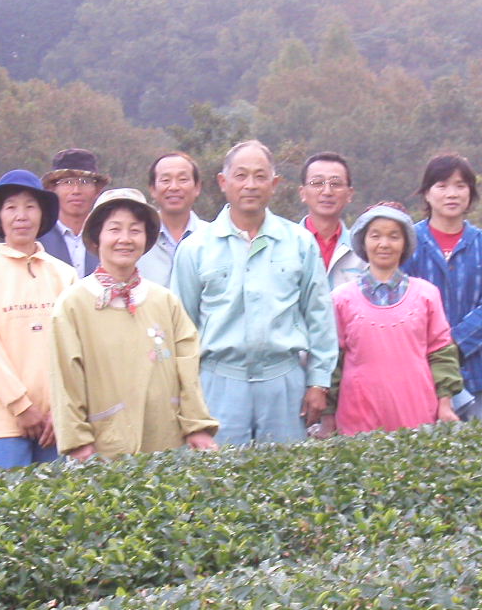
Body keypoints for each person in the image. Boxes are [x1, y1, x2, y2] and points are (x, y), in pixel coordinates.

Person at [172, 140, 337, 446]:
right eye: (241, 175)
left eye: (260, 176)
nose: (250, 185)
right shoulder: (195, 248)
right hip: (217, 383)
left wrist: (318, 382)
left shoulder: (299, 243)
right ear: (223, 182)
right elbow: (181, 328)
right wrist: (187, 397)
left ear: (274, 184)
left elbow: (319, 316)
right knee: (218, 482)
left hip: (284, 382)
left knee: (287, 484)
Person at [49, 188, 219, 460]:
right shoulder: (73, 304)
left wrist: (196, 426)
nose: (125, 240)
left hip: (165, 441)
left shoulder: (164, 301)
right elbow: (65, 379)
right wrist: (77, 441)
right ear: (97, 238)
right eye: (114, 230)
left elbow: (188, 368)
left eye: (135, 230)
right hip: (102, 447)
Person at [0, 170, 78, 468]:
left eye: (30, 206)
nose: (21, 215)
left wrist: (59, 409)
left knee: (58, 508)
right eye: (11, 207)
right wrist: (21, 406)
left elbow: (72, 347)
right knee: (6, 509)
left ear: (42, 215)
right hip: (3, 422)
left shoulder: (63, 274)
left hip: (56, 422)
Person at [319, 204, 463, 436]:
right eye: (375, 236)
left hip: (417, 412)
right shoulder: (341, 299)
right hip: (357, 416)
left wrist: (445, 404)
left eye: (393, 236)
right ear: (363, 243)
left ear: (405, 243)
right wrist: (328, 416)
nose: (384, 244)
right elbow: (331, 362)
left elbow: (441, 352)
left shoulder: (427, 294)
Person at [402, 154, 482, 420]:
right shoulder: (408, 244)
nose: (452, 194)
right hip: (419, 372)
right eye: (442, 185)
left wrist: (452, 346)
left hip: (475, 371)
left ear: (471, 193)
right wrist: (433, 350)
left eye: (460, 186)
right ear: (426, 193)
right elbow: (399, 304)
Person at [298, 151, 365, 288]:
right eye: (317, 183)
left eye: (336, 184)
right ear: (303, 193)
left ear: (349, 194)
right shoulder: (284, 246)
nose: (327, 191)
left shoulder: (363, 251)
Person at [138, 151, 205, 286]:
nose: (174, 187)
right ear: (153, 189)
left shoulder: (213, 238)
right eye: (165, 180)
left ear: (197, 188)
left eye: (182, 180)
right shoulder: (138, 239)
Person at [40, 148, 109, 276]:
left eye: (85, 182)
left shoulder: (107, 236)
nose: (76, 190)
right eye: (68, 182)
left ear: (97, 190)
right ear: (53, 189)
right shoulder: (38, 238)